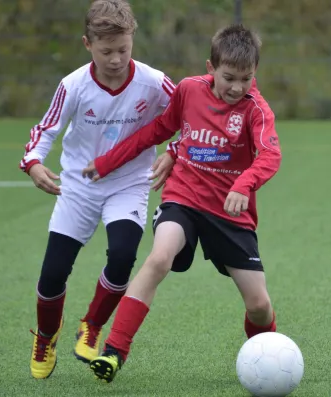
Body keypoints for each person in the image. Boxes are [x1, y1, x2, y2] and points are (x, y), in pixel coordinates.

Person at [81, 23, 282, 383]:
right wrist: (107, 161)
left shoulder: (257, 110)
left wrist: (243, 184)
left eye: (246, 78)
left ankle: (269, 358)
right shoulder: (189, 90)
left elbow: (270, 156)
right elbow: (158, 130)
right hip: (183, 198)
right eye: (229, 77)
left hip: (230, 214)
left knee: (259, 305)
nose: (237, 87)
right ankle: (113, 352)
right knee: (159, 258)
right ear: (210, 68)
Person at [20, 0, 179, 379]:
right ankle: (46, 336)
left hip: (128, 183)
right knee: (53, 273)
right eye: (106, 51)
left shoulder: (154, 82)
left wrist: (173, 152)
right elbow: (45, 131)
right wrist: (34, 163)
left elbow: (191, 114)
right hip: (78, 186)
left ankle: (92, 325)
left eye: (123, 49)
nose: (115, 59)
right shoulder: (73, 84)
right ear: (87, 44)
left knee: (124, 254)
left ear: (132, 41)